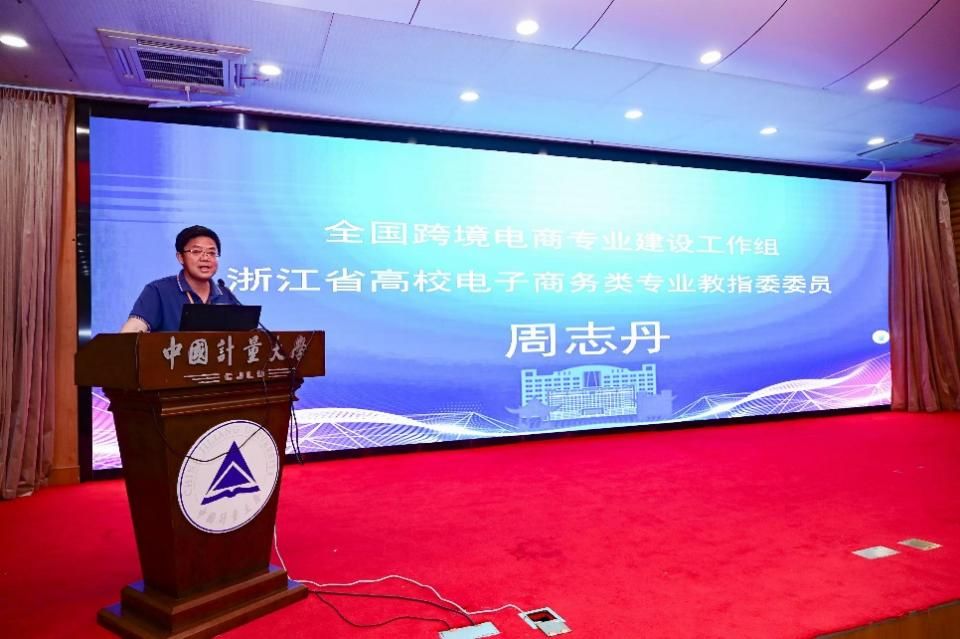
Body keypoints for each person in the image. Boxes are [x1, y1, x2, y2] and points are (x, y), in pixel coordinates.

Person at [120, 225, 237, 332]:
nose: (205, 258)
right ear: (180, 257)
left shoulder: (226, 295)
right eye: (196, 251)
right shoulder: (158, 291)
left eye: (211, 253)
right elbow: (133, 329)